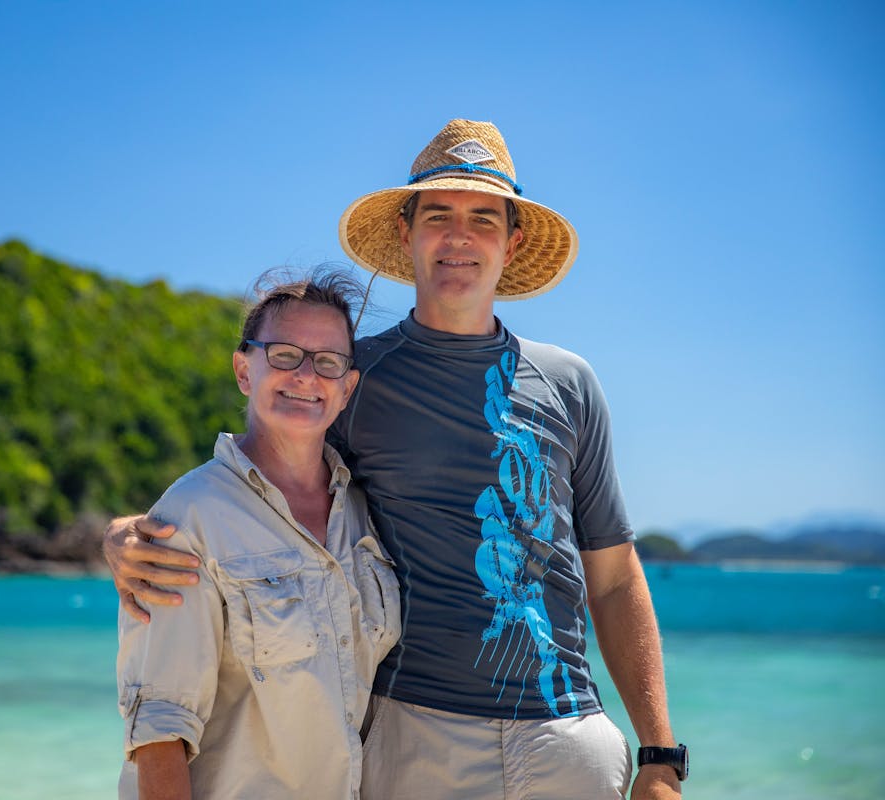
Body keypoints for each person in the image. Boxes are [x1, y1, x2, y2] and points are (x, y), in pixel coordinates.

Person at [108, 120, 685, 800]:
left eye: (483, 219)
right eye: (438, 215)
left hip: (570, 737)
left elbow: (613, 579)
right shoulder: (355, 377)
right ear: (408, 234)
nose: (459, 237)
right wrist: (124, 533)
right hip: (415, 735)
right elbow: (259, 493)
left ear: (513, 241)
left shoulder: (570, 382)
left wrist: (660, 753)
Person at [115, 269, 401, 799]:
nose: (306, 376)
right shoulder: (189, 515)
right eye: (284, 354)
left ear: (347, 389)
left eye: (328, 362)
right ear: (245, 371)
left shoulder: (364, 513)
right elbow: (160, 730)